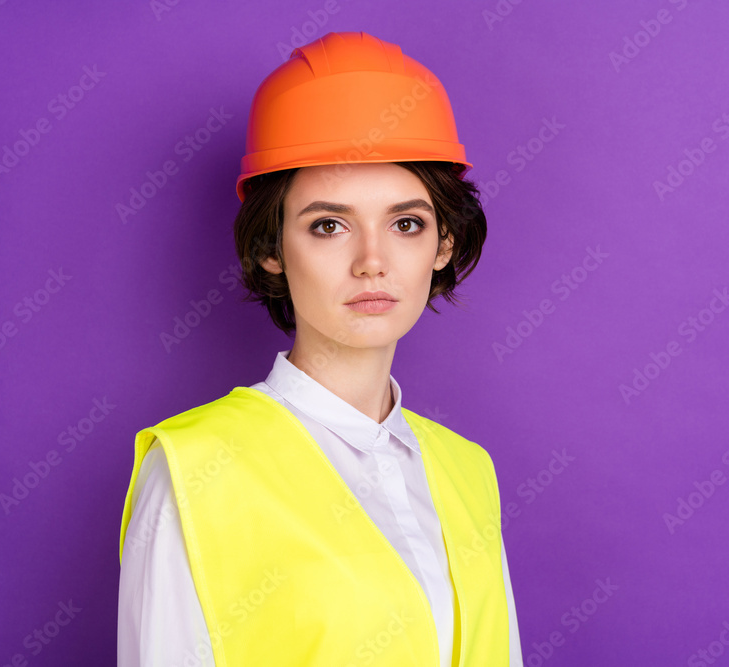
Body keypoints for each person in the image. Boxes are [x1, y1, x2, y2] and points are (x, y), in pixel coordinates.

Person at [117, 31, 522, 666]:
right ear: (271, 249)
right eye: (328, 226)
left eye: (406, 223)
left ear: (443, 245)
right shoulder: (195, 472)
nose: (372, 262)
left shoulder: (470, 471)